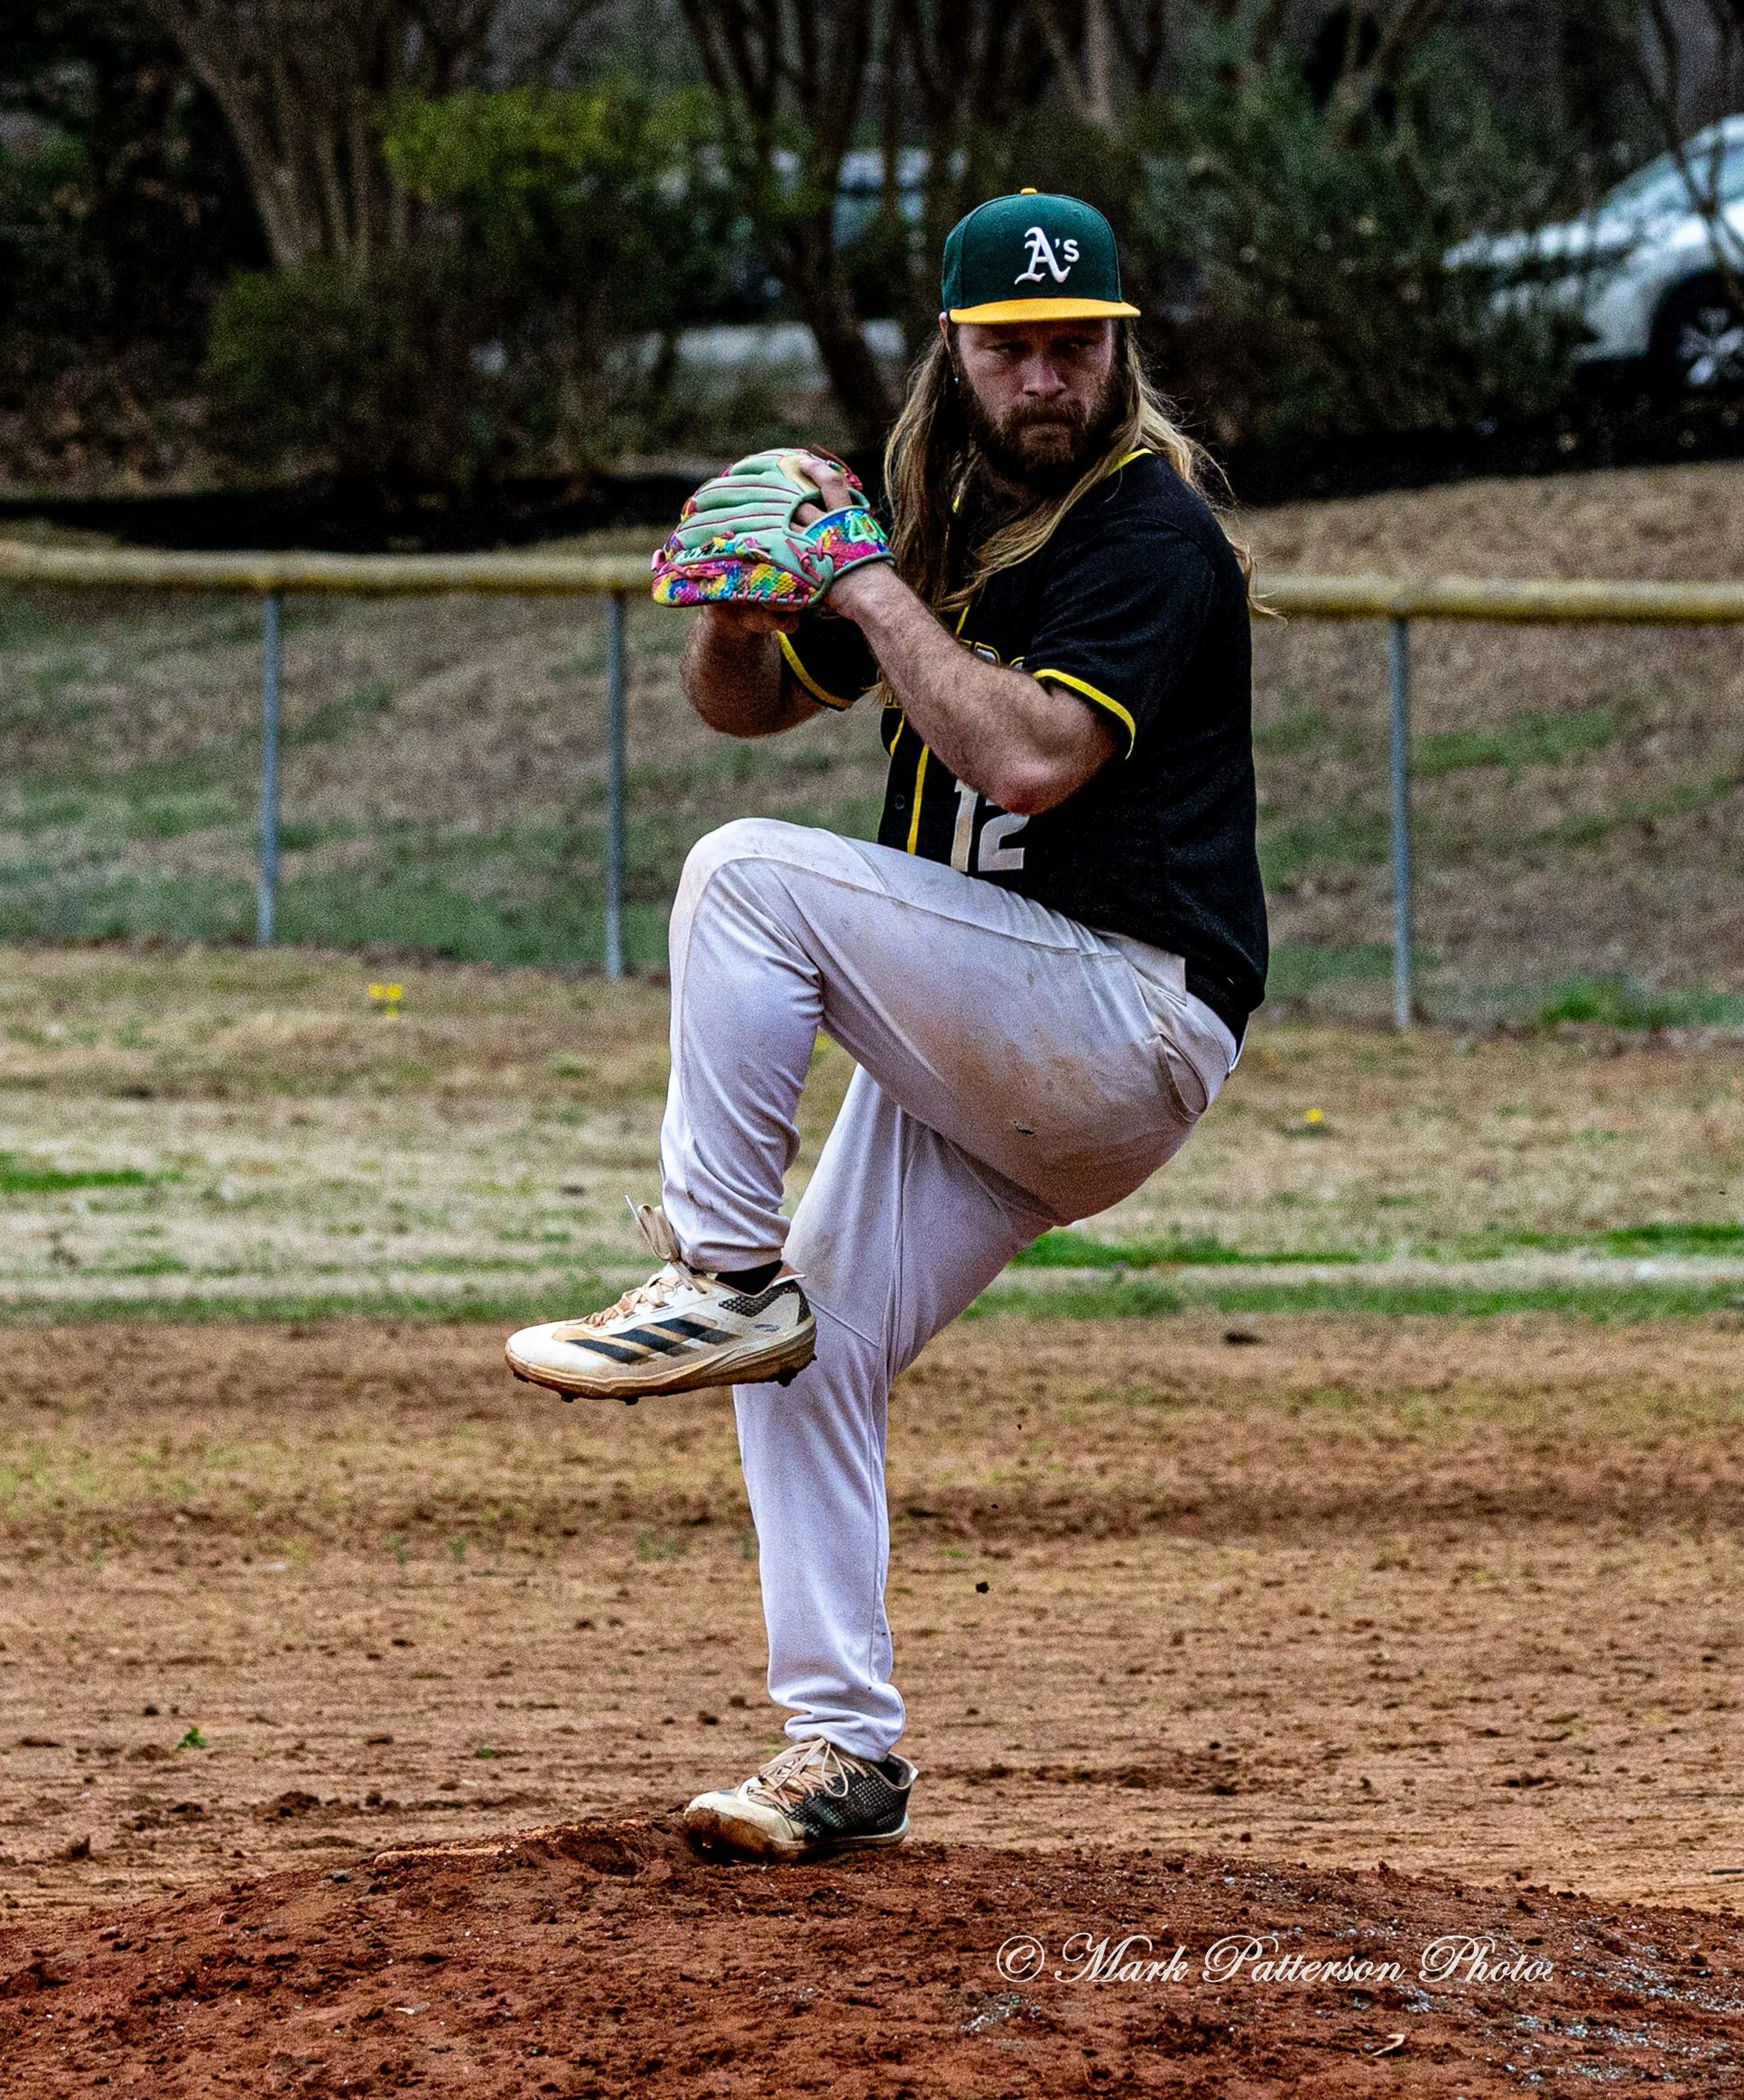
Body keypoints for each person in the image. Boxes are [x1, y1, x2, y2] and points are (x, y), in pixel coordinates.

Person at [507, 190, 1267, 1859]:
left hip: (1123, 1012)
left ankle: (715, 1265)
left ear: (1122, 353)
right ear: (961, 352)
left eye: (1080, 346)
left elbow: (1027, 760)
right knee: (812, 1360)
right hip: (995, 1040)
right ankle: (839, 1745)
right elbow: (750, 707)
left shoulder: (1152, 536)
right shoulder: (942, 520)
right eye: (1015, 348)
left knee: (749, 882)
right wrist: (745, 602)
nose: (1049, 377)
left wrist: (860, 580)